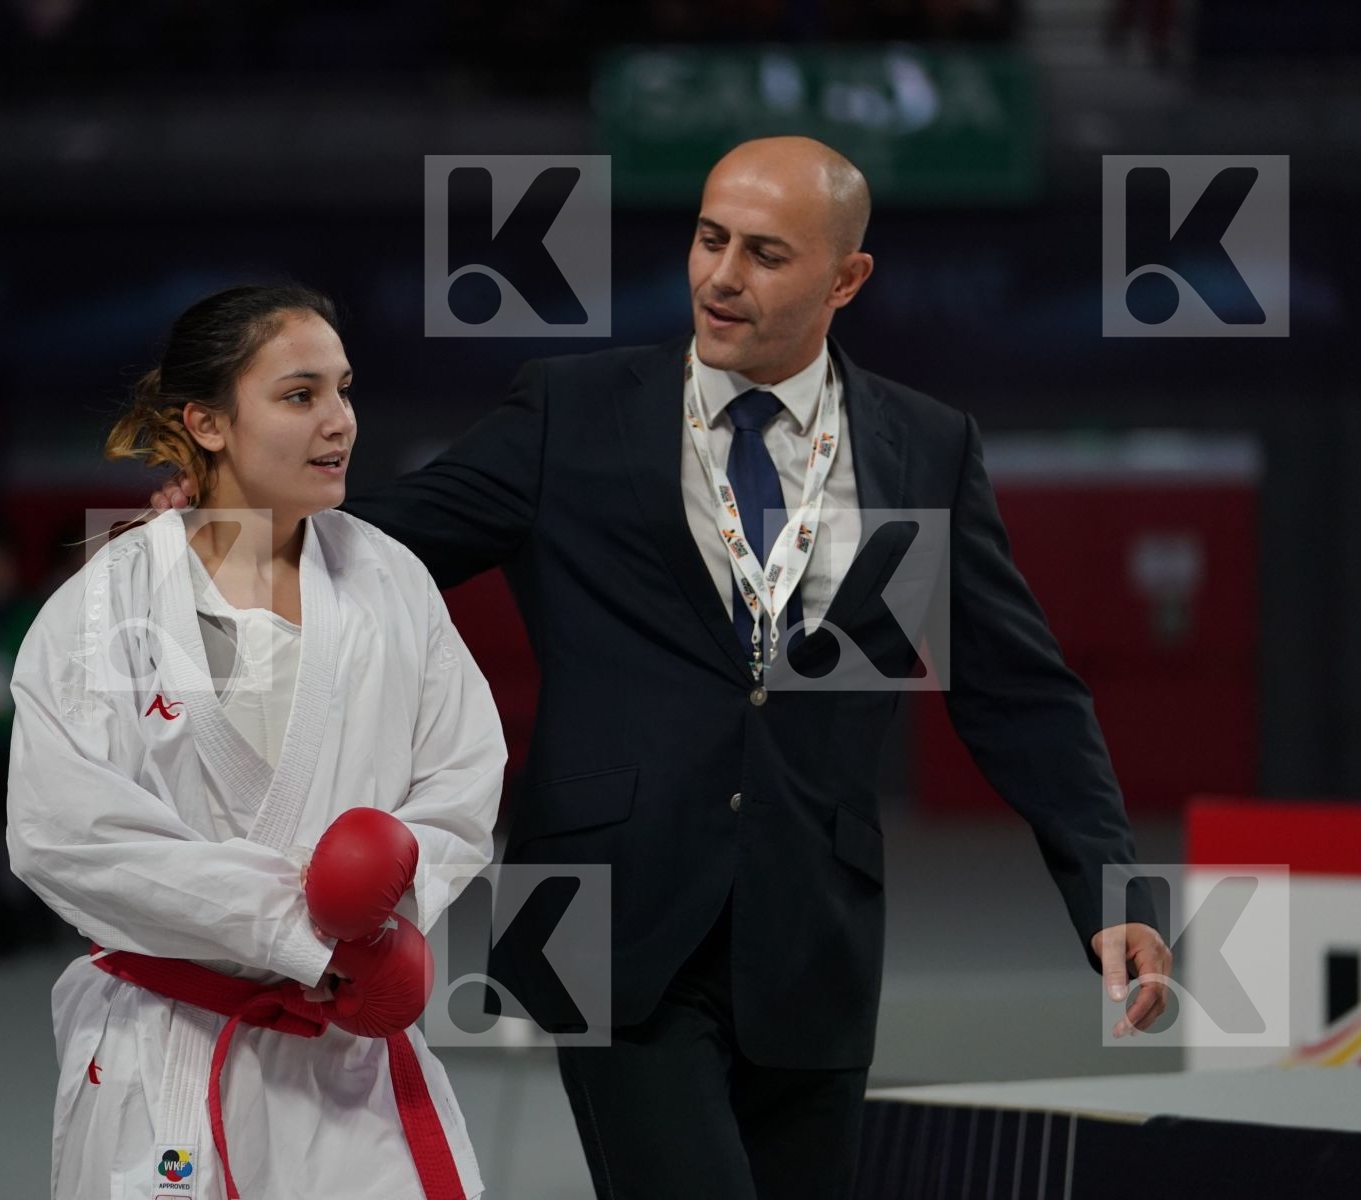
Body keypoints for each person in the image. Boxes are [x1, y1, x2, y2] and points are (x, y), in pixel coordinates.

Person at [149, 140, 1175, 1200]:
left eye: (766, 254)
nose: (721, 275)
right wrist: (230, 527)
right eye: (709, 237)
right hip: (601, 918)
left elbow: (1018, 689)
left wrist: (1109, 883)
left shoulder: (926, 447)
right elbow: (375, 550)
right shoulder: (569, 414)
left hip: (813, 933)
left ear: (846, 279)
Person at [7, 283, 504, 1199]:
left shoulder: (390, 580)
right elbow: (63, 833)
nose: (340, 422)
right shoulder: (109, 604)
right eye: (299, 395)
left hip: (348, 1055)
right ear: (206, 422)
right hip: (173, 1048)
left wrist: (387, 920)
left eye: (344, 390)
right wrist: (310, 933)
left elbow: (464, 769)